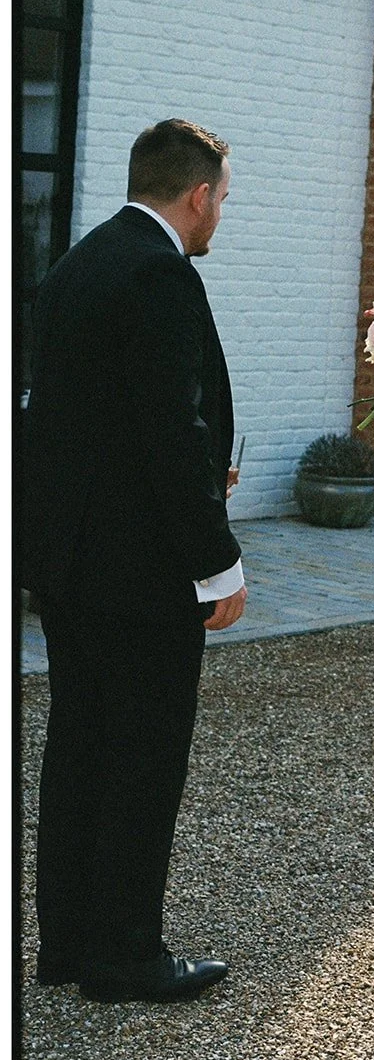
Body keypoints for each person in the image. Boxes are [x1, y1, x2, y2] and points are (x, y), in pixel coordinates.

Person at [23, 118, 246, 1003]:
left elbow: (76, 420)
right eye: (223, 200)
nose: (220, 216)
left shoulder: (80, 262)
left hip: (74, 565)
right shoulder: (161, 273)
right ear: (197, 195)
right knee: (144, 760)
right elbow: (167, 429)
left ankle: (68, 947)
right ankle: (124, 955)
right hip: (142, 570)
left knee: (82, 750)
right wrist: (216, 560)